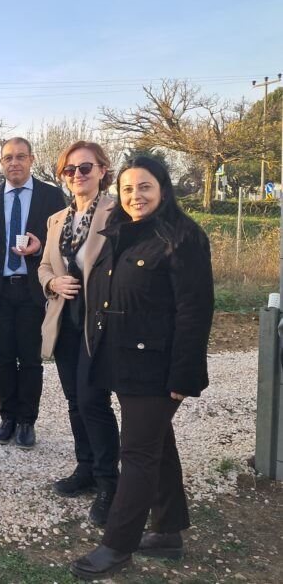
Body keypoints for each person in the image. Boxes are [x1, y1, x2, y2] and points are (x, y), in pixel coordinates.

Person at [69, 156, 214, 580]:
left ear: (163, 189)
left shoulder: (183, 237)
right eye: (128, 189)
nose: (136, 196)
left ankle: (118, 545)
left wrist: (183, 375)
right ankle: (167, 533)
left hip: (159, 369)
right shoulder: (121, 230)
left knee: (136, 454)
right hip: (123, 361)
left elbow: (195, 311)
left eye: (145, 187)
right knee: (157, 444)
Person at [37, 141, 119, 526]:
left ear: (102, 170)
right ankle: (85, 468)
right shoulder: (57, 220)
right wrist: (53, 283)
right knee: (74, 400)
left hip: (99, 323)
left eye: (85, 168)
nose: (77, 175)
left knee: (93, 400)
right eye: (69, 170)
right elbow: (43, 266)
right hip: (65, 321)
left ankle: (109, 483)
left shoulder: (118, 213)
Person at [0, 137, 64, 449]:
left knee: (31, 360)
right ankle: (7, 417)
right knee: (4, 359)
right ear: (1, 163)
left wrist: (39, 249)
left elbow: (62, 244)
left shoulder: (51, 196)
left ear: (32, 160)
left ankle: (26, 421)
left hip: (34, 291)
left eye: (20, 157)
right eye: (8, 157)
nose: (14, 163)